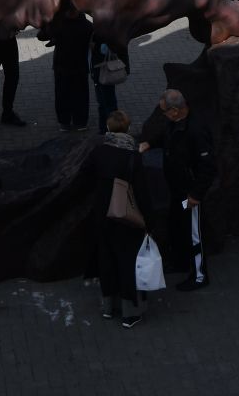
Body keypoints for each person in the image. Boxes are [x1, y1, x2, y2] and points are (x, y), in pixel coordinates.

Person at [139, 89, 214, 290]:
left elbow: (208, 167)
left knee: (193, 233)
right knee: (178, 226)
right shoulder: (175, 123)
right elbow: (166, 137)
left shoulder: (196, 131)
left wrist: (196, 195)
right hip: (177, 190)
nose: (163, 115)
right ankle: (181, 262)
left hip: (189, 193)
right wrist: (150, 143)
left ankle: (199, 275)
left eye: (164, 111)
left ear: (174, 111)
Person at [93, 111, 146, 327]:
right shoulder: (133, 157)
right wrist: (148, 220)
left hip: (102, 215)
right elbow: (142, 193)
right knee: (127, 262)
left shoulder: (98, 152)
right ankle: (129, 312)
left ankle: (107, 306)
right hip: (126, 217)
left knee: (107, 260)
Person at [49, 9, 95, 131]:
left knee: (62, 94)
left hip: (61, 65)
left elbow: (44, 35)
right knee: (80, 94)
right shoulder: (87, 26)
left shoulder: (58, 24)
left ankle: (64, 121)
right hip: (79, 66)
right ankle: (80, 121)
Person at [91, 35, 130, 128]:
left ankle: (111, 129)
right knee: (104, 102)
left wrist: (94, 46)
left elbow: (104, 49)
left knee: (108, 103)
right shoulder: (110, 28)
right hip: (100, 71)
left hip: (104, 71)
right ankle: (105, 129)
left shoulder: (105, 30)